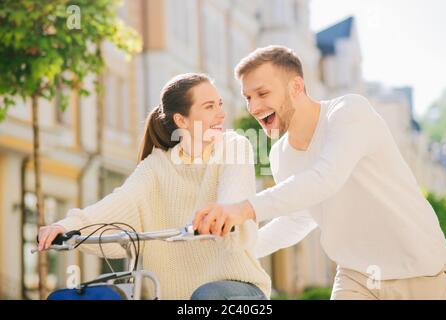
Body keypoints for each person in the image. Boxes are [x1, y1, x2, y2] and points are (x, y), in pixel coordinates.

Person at [193, 45, 446, 300]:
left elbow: (325, 178)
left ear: (295, 87)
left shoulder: (349, 113)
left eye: (262, 93)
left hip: (419, 271)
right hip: (357, 277)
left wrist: (244, 208)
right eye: (248, 97)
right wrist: (236, 250)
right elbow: (298, 218)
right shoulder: (280, 155)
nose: (254, 107)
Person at [38, 73, 271, 300]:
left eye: (219, 104)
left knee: (206, 296)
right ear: (181, 120)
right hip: (169, 293)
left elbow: (233, 196)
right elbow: (121, 202)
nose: (221, 114)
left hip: (240, 289)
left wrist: (224, 216)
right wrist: (67, 226)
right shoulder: (155, 166)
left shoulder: (234, 146)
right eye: (209, 107)